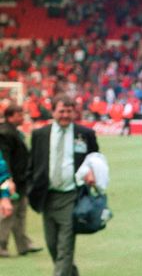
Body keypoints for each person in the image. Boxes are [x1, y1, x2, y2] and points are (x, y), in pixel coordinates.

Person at [28, 95, 99, 276]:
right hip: (47, 197)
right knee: (52, 245)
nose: (66, 115)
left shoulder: (85, 134)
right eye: (61, 111)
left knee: (65, 247)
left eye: (69, 111)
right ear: (53, 112)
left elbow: (95, 160)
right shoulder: (40, 135)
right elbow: (32, 165)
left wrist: (92, 172)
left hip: (71, 197)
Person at [0, 104, 43, 257]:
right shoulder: (4, 133)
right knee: (8, 212)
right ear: (11, 116)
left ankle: (23, 244)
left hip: (21, 179)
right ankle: (1, 245)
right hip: (12, 180)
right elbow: (4, 158)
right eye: (20, 114)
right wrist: (7, 180)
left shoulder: (13, 131)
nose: (23, 117)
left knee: (20, 212)